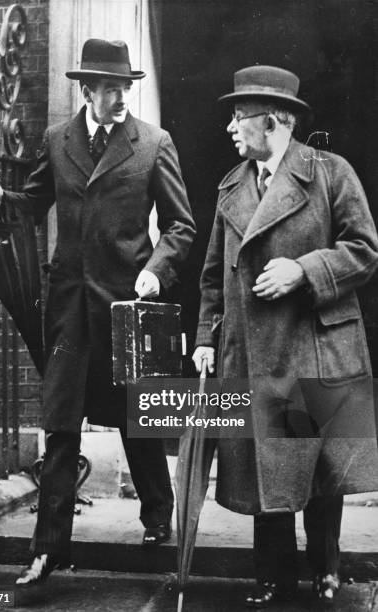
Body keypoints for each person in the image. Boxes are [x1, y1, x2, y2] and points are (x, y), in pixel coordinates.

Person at [0, 38, 196, 586]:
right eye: (110, 87)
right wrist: (0, 198)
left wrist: (157, 270)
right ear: (86, 89)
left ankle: (158, 516)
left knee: (136, 418)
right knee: (59, 424)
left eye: (126, 86)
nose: (121, 96)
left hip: (127, 305)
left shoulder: (153, 143)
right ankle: (47, 549)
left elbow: (181, 226)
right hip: (70, 309)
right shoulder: (58, 141)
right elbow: (33, 202)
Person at [193, 65, 378, 607]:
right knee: (263, 469)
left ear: (272, 121)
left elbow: (364, 248)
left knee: (319, 468)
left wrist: (305, 270)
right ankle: (270, 577)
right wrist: (205, 336)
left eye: (239, 116)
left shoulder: (330, 174)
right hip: (253, 349)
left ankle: (326, 569)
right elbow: (211, 274)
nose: (230, 126)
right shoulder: (231, 186)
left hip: (316, 346)